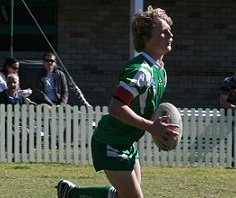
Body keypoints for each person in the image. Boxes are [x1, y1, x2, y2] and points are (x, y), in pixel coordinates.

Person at [56, 6, 179, 198]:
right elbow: (115, 107)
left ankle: (71, 193)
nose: (170, 34)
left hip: (126, 142)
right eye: (163, 32)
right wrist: (151, 127)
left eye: (169, 30)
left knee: (124, 196)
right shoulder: (141, 71)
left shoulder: (160, 70)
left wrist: (156, 124)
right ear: (147, 38)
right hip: (110, 141)